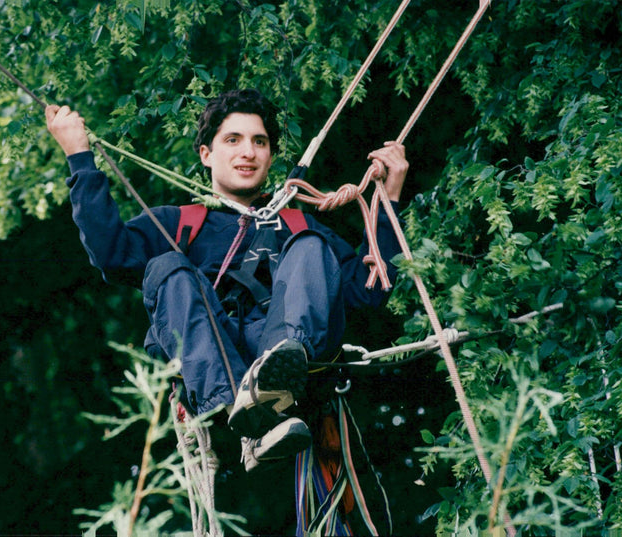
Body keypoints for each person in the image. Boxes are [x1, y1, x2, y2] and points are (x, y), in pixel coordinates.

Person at [45, 89, 408, 471]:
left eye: (259, 142)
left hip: (294, 361)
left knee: (310, 245)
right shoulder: (178, 224)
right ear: (206, 154)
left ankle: (275, 378)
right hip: (213, 363)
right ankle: (239, 409)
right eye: (232, 140)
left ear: (270, 156)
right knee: (169, 267)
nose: (248, 152)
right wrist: (79, 157)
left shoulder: (299, 225)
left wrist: (391, 197)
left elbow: (369, 288)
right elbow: (110, 253)